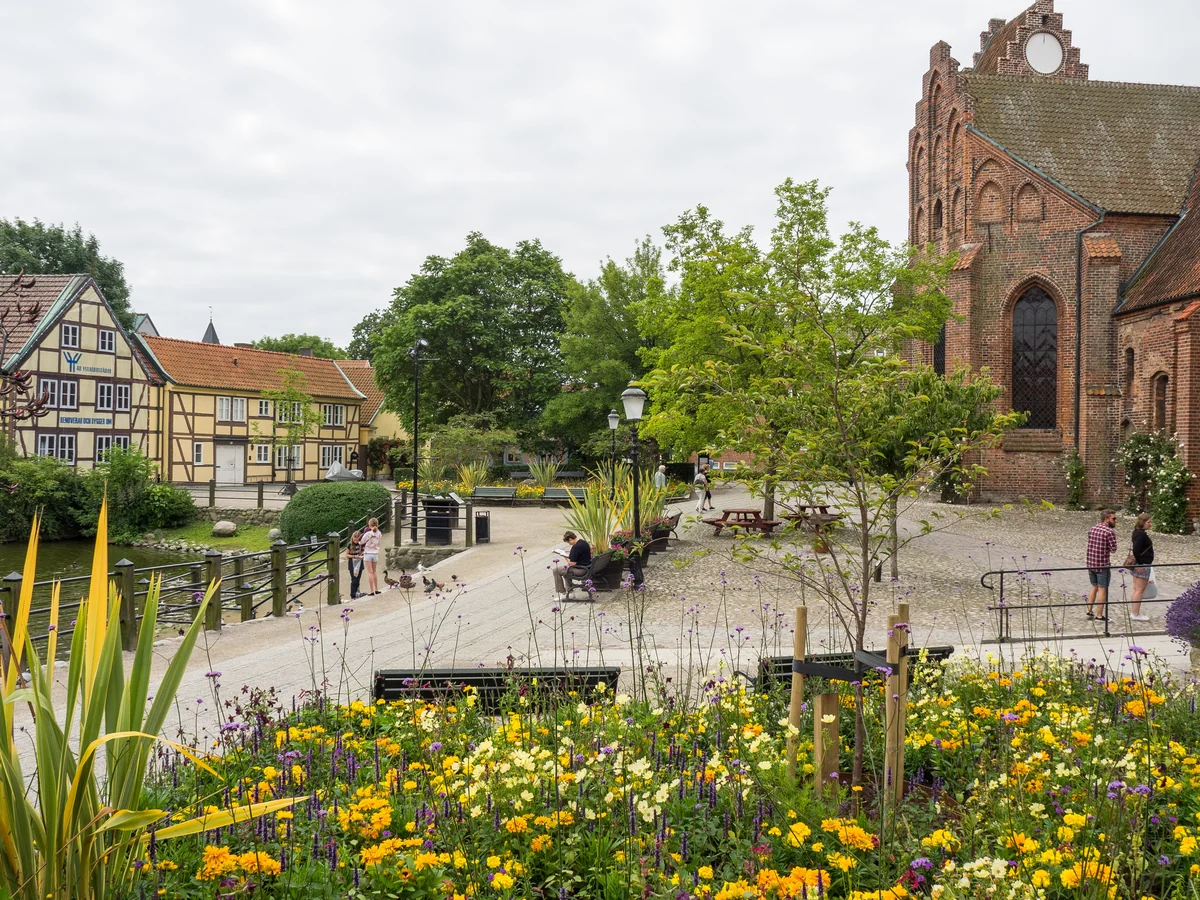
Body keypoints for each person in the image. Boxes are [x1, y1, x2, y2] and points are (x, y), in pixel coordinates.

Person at [1085, 508, 1118, 621]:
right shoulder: (1109, 532)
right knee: (1102, 589)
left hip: (1090, 563)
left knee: (1094, 586)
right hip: (1102, 564)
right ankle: (1099, 615)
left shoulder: (1092, 529)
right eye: (1113, 518)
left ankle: (1089, 610)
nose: (1115, 521)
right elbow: (1113, 549)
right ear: (1106, 518)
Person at [552, 530, 591, 600]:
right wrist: (570, 552)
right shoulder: (583, 542)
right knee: (565, 570)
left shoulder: (575, 547)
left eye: (568, 542)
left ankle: (562, 593)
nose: (569, 544)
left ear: (570, 539)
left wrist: (564, 556)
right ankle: (570, 591)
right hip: (587, 567)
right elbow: (581, 553)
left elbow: (572, 563)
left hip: (581, 570)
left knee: (556, 570)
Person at [1129, 512, 1154, 621]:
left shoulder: (1137, 532)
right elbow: (1136, 550)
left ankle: (1134, 612)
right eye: (1148, 522)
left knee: (1136, 589)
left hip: (1142, 563)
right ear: (1142, 522)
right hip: (1142, 564)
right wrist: (1139, 563)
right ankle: (1135, 613)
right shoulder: (1141, 534)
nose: (1150, 524)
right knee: (1139, 590)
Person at [359, 518, 382, 596]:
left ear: (369, 525)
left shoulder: (368, 533)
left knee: (370, 572)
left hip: (368, 553)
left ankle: (371, 590)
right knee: (374, 572)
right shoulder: (379, 533)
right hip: (375, 553)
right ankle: (377, 589)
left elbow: (361, 542)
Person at [346, 529, 364, 599]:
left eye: (357, 540)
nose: (356, 541)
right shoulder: (349, 545)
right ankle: (353, 594)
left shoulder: (361, 545)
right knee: (354, 579)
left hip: (360, 563)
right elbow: (347, 555)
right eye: (354, 540)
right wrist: (354, 556)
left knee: (358, 579)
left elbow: (364, 552)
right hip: (352, 563)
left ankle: (357, 592)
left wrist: (362, 555)